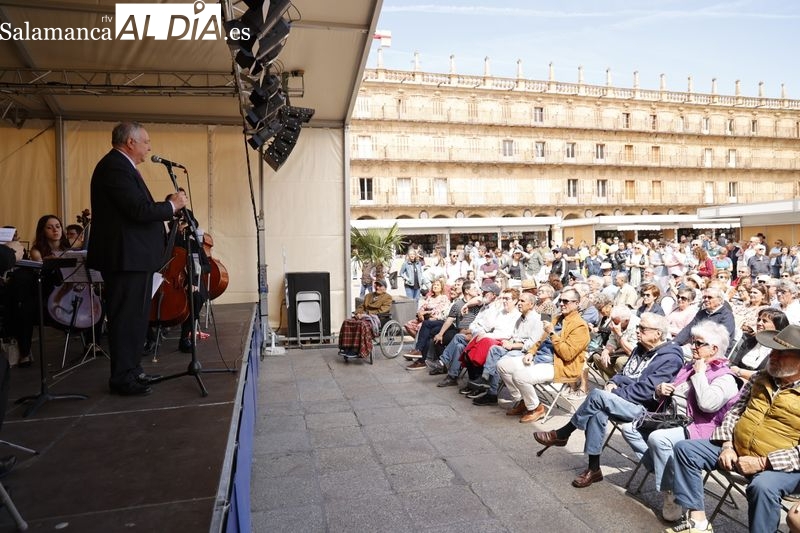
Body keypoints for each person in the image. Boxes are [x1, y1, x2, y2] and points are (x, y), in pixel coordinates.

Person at [667, 324, 800, 533]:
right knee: (686, 449)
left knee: (763, 487)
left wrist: (763, 462)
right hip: (737, 450)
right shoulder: (760, 378)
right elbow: (735, 412)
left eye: (781, 353)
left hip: (781, 466)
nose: (772, 356)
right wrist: (728, 444)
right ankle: (698, 520)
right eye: (773, 351)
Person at [87, 122, 188, 396]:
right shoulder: (114, 167)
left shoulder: (123, 167)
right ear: (130, 142)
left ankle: (132, 370)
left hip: (135, 259)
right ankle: (122, 377)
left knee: (136, 319)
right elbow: (136, 210)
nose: (149, 148)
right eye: (146, 142)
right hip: (124, 259)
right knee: (126, 319)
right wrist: (170, 206)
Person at [534, 312, 683, 489]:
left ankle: (563, 433)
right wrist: (613, 382)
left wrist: (616, 391)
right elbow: (624, 375)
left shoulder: (670, 357)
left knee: (597, 396)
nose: (637, 331)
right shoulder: (640, 348)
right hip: (625, 400)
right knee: (597, 410)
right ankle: (593, 468)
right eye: (638, 327)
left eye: (642, 328)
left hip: (645, 409)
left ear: (658, 333)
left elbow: (646, 390)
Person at [640, 321, 740, 522]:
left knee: (658, 439)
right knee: (633, 427)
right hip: (673, 418)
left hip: (702, 429)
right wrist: (661, 390)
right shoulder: (690, 366)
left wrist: (701, 373)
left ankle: (673, 493)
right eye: (692, 342)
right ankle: (674, 478)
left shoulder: (725, 377)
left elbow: (707, 405)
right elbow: (673, 392)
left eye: (698, 343)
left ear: (714, 349)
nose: (692, 347)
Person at [497, 287, 589, 423]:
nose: (562, 304)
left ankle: (536, 408)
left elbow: (567, 354)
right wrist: (531, 352)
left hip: (559, 365)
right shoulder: (557, 318)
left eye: (566, 301)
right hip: (540, 357)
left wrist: (552, 333)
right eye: (561, 301)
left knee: (520, 376)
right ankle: (523, 400)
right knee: (503, 365)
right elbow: (540, 340)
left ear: (576, 303)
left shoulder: (580, 326)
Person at [728, 308, 789, 381]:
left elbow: (769, 376)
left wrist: (740, 372)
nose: (759, 323)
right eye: (759, 320)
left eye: (764, 321)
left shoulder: (781, 350)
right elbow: (733, 365)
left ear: (777, 326)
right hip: (735, 380)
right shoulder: (750, 341)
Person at [337, 279, 393, 359]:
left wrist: (365, 314)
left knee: (361, 324)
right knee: (347, 322)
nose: (377, 287)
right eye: (376, 285)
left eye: (380, 286)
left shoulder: (387, 297)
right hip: (364, 316)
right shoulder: (368, 295)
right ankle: (346, 347)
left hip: (376, 318)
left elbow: (382, 310)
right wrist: (358, 313)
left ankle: (355, 349)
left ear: (385, 288)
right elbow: (362, 306)